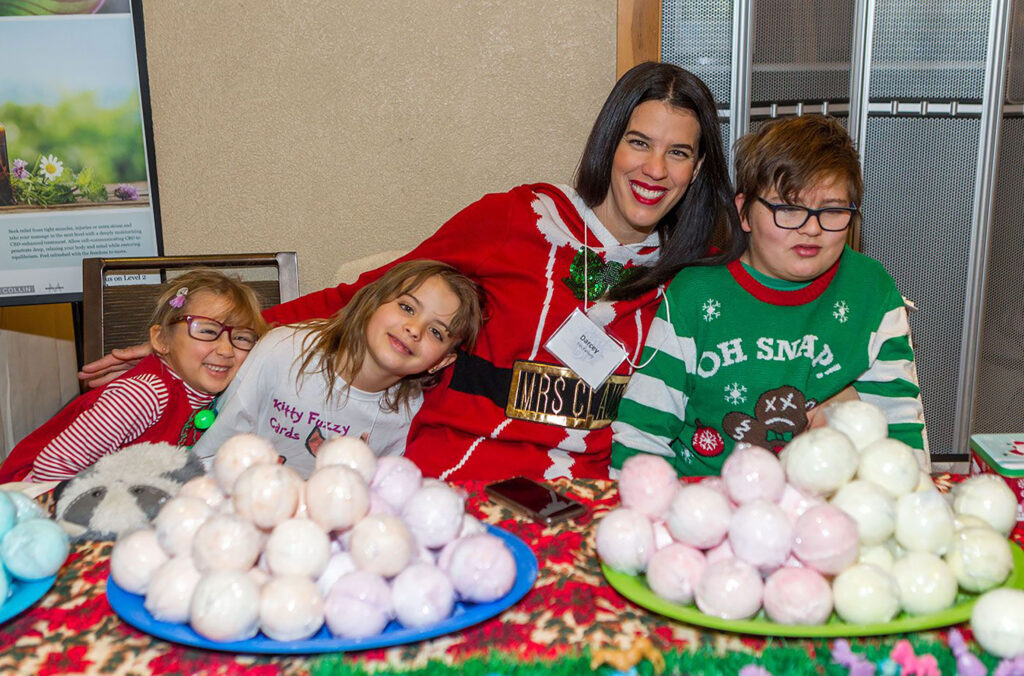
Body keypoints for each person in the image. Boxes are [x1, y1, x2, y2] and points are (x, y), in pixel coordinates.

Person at [79, 61, 745, 481]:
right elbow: (366, 294)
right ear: (610, 141)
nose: (654, 170)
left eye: (678, 153)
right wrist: (226, 332)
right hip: (443, 477)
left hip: (579, 500)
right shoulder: (518, 218)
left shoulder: (687, 281)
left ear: (697, 170)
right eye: (639, 142)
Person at [610, 114, 927, 476]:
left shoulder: (871, 289)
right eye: (788, 209)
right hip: (705, 501)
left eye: (833, 211)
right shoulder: (695, 294)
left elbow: (899, 428)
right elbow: (641, 435)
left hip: (825, 504)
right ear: (744, 212)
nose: (811, 229)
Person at [191, 260, 482, 477]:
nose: (414, 329)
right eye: (407, 308)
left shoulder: (408, 414)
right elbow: (211, 454)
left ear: (442, 360)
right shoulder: (282, 351)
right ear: (373, 302)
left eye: (437, 332)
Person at [0, 269, 266, 483]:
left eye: (241, 338)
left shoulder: (219, 396)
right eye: (207, 332)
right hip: (34, 494)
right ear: (161, 339)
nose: (226, 349)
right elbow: (51, 469)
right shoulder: (144, 395)